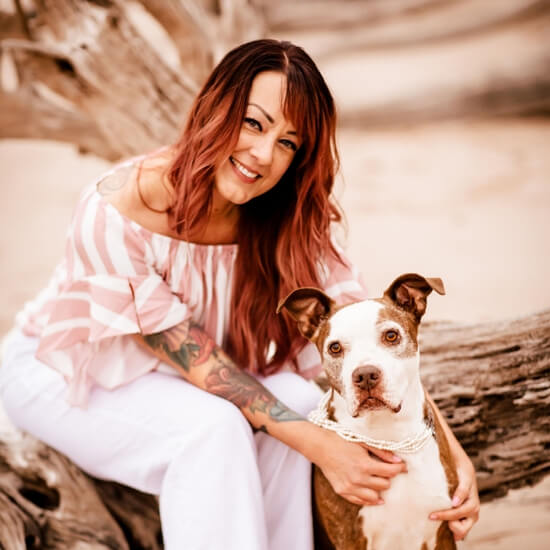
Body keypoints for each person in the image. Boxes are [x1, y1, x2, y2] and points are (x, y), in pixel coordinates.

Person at [0, 39, 479, 549]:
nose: (263, 155)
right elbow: (196, 362)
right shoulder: (117, 208)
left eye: (288, 143)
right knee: (213, 430)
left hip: (183, 381)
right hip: (66, 377)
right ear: (215, 107)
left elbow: (369, 331)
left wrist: (452, 457)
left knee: (300, 400)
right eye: (253, 123)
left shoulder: (290, 215)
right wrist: (320, 445)